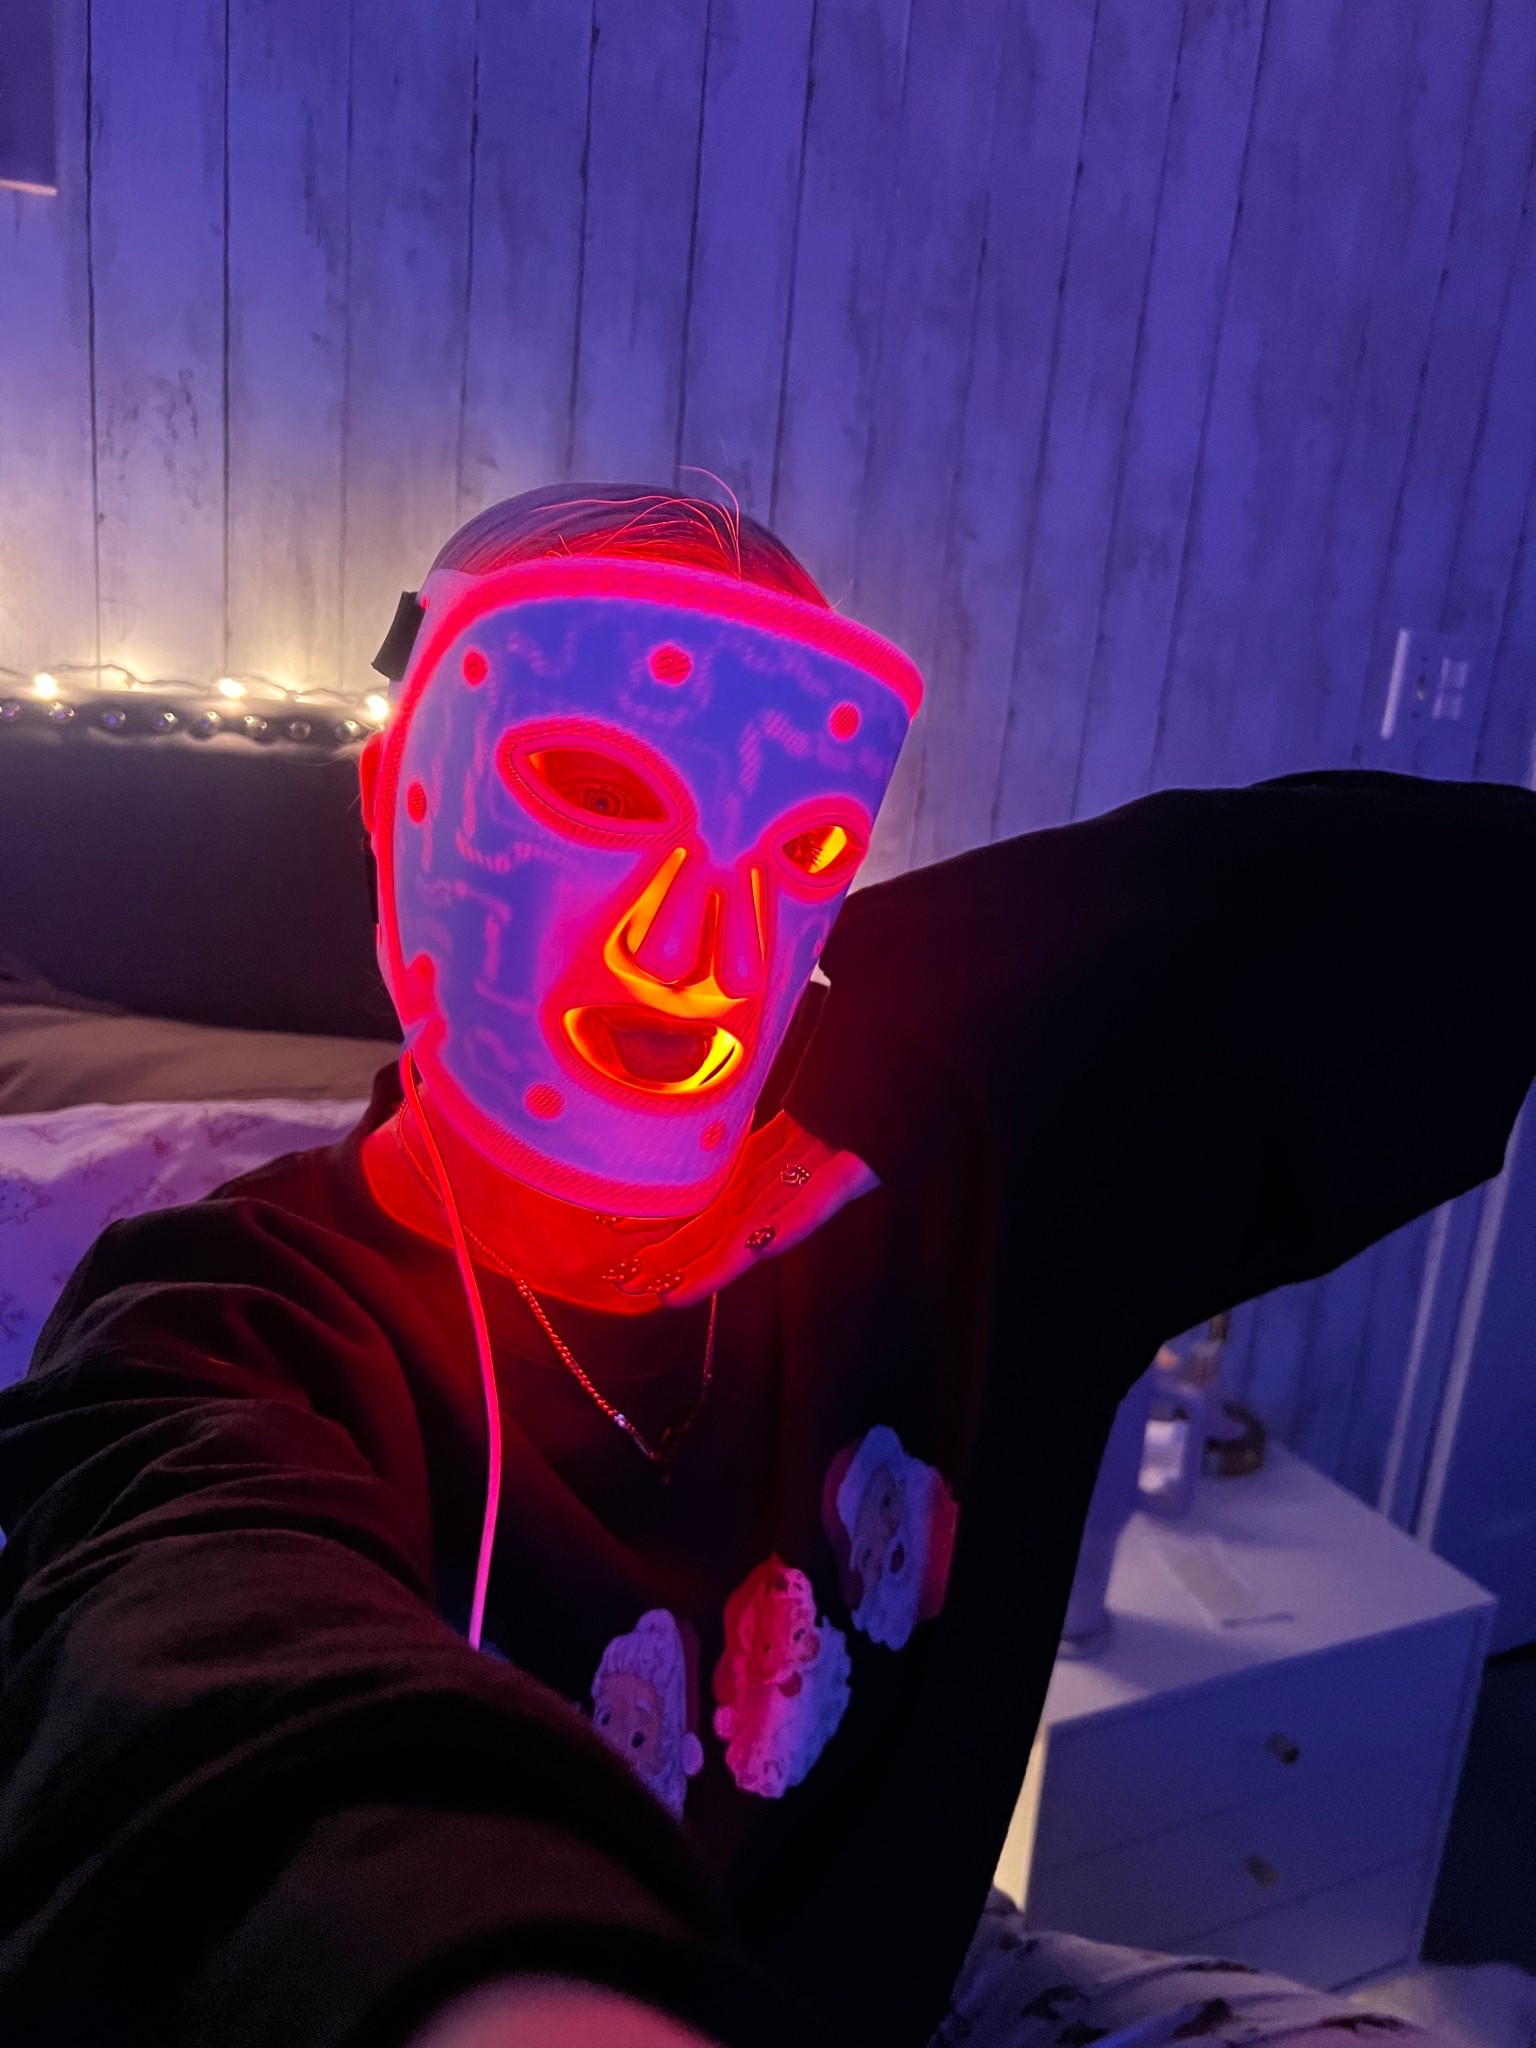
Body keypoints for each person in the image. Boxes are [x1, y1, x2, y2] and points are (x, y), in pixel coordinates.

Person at [0, 483, 1532, 2048]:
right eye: (594, 788)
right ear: (399, 799)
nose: (693, 951)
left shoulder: (950, 1141)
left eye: (800, 844)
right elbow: (201, 1698)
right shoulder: (224, 1328)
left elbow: (1345, 920)